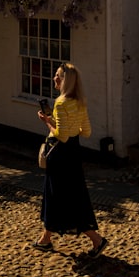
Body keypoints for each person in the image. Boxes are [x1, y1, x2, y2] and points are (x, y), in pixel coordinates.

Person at [32, 63, 108, 258]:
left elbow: (61, 136)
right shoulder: (80, 102)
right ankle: (46, 238)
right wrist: (64, 124)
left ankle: (96, 239)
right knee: (67, 195)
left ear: (66, 80)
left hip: (60, 155)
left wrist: (46, 121)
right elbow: (86, 131)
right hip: (74, 153)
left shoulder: (61, 102)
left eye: (58, 76)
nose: (55, 79)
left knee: (61, 197)